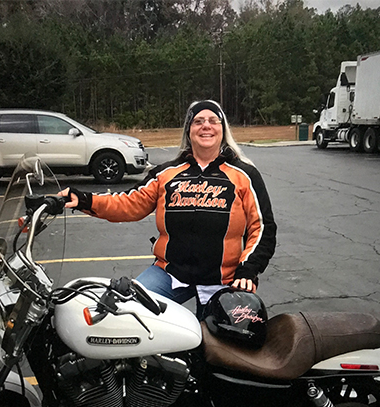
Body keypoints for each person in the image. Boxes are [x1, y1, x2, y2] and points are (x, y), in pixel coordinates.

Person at [56, 99, 276, 306]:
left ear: (222, 129)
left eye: (213, 121)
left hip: (224, 278)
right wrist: (84, 200)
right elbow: (129, 203)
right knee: (128, 312)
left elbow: (262, 227)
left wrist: (248, 269)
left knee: (223, 341)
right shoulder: (166, 173)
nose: (205, 126)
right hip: (169, 273)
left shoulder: (244, 175)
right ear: (189, 130)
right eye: (198, 121)